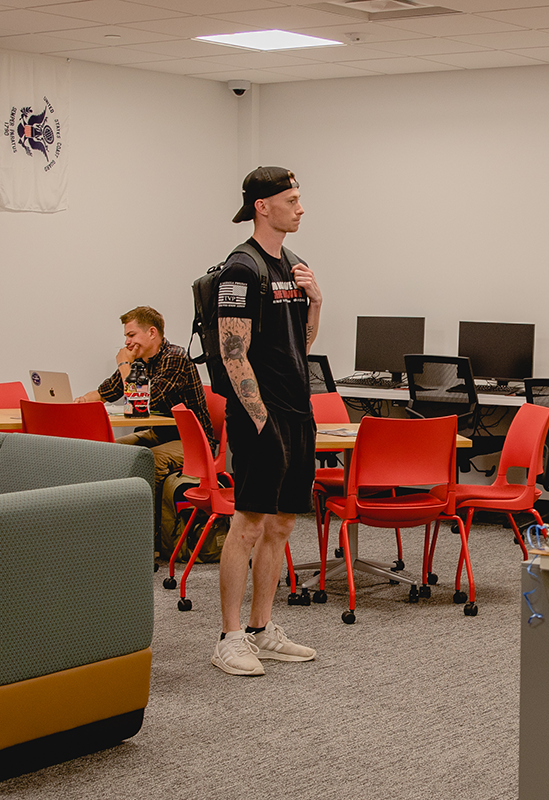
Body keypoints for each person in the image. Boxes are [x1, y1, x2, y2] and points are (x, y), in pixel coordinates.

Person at [208, 166, 323, 676]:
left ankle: (262, 628)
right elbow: (234, 354)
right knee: (249, 524)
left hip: (299, 412)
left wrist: (316, 300)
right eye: (292, 200)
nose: (300, 208)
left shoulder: (292, 266)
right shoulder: (241, 269)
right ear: (263, 206)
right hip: (260, 417)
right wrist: (260, 421)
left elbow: (303, 345)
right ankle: (230, 637)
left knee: (281, 524)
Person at [77, 306, 215, 485]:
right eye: (126, 336)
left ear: (152, 332)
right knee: (109, 450)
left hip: (193, 442)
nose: (127, 342)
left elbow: (140, 401)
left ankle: (147, 513)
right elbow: (105, 392)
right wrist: (81, 401)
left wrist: (125, 364)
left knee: (151, 461)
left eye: (131, 335)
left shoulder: (175, 358)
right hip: (159, 434)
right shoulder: (139, 362)